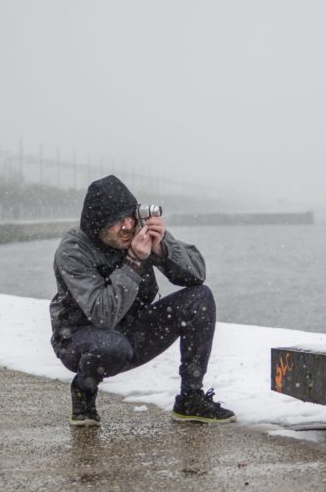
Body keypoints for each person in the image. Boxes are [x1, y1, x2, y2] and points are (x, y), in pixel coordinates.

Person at [49, 174, 235, 426]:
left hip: (133, 330)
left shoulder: (138, 232)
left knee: (200, 298)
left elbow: (197, 275)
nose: (127, 226)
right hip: (80, 337)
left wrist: (163, 248)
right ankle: (83, 390)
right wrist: (134, 261)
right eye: (116, 222)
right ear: (97, 226)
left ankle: (191, 398)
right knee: (111, 346)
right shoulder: (73, 250)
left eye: (129, 217)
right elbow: (102, 314)